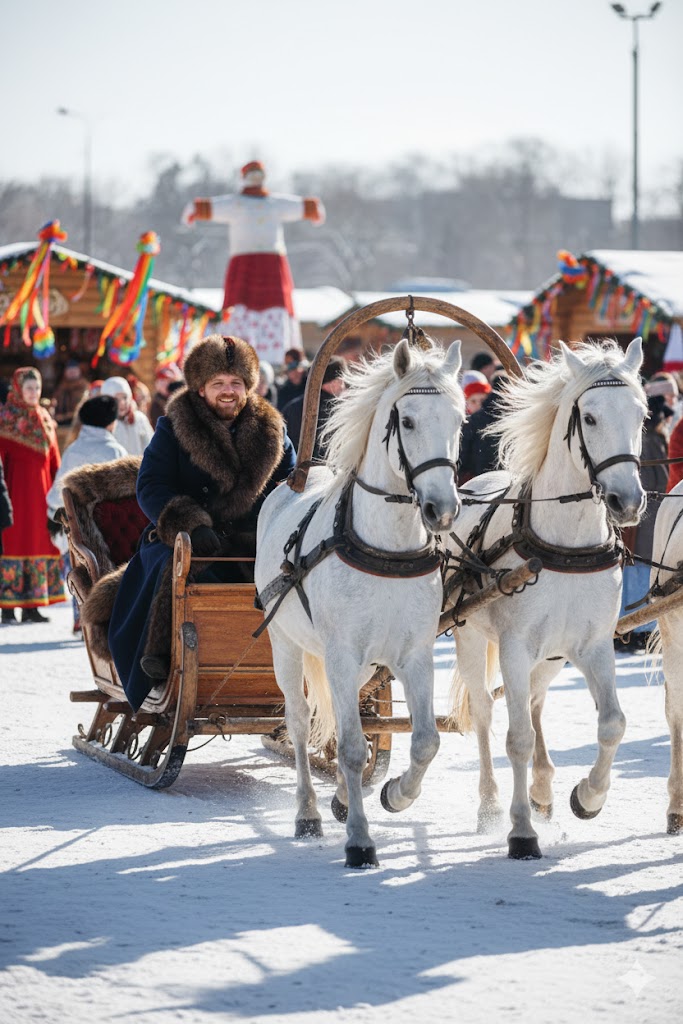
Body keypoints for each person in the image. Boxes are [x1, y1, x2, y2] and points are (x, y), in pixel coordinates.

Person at [97, 334, 296, 711]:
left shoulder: (273, 432)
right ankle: (159, 655)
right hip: (184, 536)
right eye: (218, 383)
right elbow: (151, 485)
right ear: (201, 387)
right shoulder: (175, 427)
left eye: (236, 383)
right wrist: (189, 523)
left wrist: (274, 530)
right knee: (170, 568)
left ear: (248, 386)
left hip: (254, 539)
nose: (228, 391)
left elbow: (290, 487)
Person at [181, 161, 325, 364]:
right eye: (252, 173)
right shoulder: (236, 203)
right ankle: (236, 354)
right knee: (239, 307)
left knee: (275, 308)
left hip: (272, 266)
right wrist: (195, 210)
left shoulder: (274, 203)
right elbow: (211, 206)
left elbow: (302, 206)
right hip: (244, 264)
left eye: (259, 173)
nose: (255, 177)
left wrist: (312, 209)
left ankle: (276, 356)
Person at [46, 394, 128, 634]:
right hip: (110, 529)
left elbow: (54, 494)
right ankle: (105, 619)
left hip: (75, 528)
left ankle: (79, 615)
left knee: (78, 571)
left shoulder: (73, 450)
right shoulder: (115, 450)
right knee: (106, 574)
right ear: (110, 423)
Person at [0, 367, 65, 623]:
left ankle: (32, 605)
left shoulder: (45, 420)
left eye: (37, 388)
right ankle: (7, 605)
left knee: (37, 543)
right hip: (14, 495)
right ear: (18, 389)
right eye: (29, 388)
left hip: (41, 497)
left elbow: (54, 461)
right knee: (13, 544)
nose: (33, 393)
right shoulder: (5, 420)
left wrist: (59, 494)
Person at [619, 393, 673, 651]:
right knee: (642, 567)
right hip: (651, 512)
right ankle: (639, 628)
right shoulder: (653, 439)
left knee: (635, 568)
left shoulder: (646, 438)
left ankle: (633, 626)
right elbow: (662, 478)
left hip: (645, 513)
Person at [281, 355, 347, 457]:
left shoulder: (292, 407)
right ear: (333, 382)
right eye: (341, 381)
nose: (343, 386)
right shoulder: (337, 410)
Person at [458, 369, 508, 483]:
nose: (478, 404)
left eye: (482, 400)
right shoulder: (466, 424)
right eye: (473, 401)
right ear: (466, 403)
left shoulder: (492, 417)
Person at [100, 376, 154, 455]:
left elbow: (151, 445)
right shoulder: (104, 423)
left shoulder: (139, 419)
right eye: (116, 399)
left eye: (125, 397)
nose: (122, 403)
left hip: (139, 465)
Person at [50, 359, 89, 428]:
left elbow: (81, 406)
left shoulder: (83, 387)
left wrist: (65, 417)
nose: (72, 373)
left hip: (77, 423)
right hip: (60, 422)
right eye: (70, 371)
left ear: (79, 372)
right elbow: (55, 402)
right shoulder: (61, 386)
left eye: (74, 371)